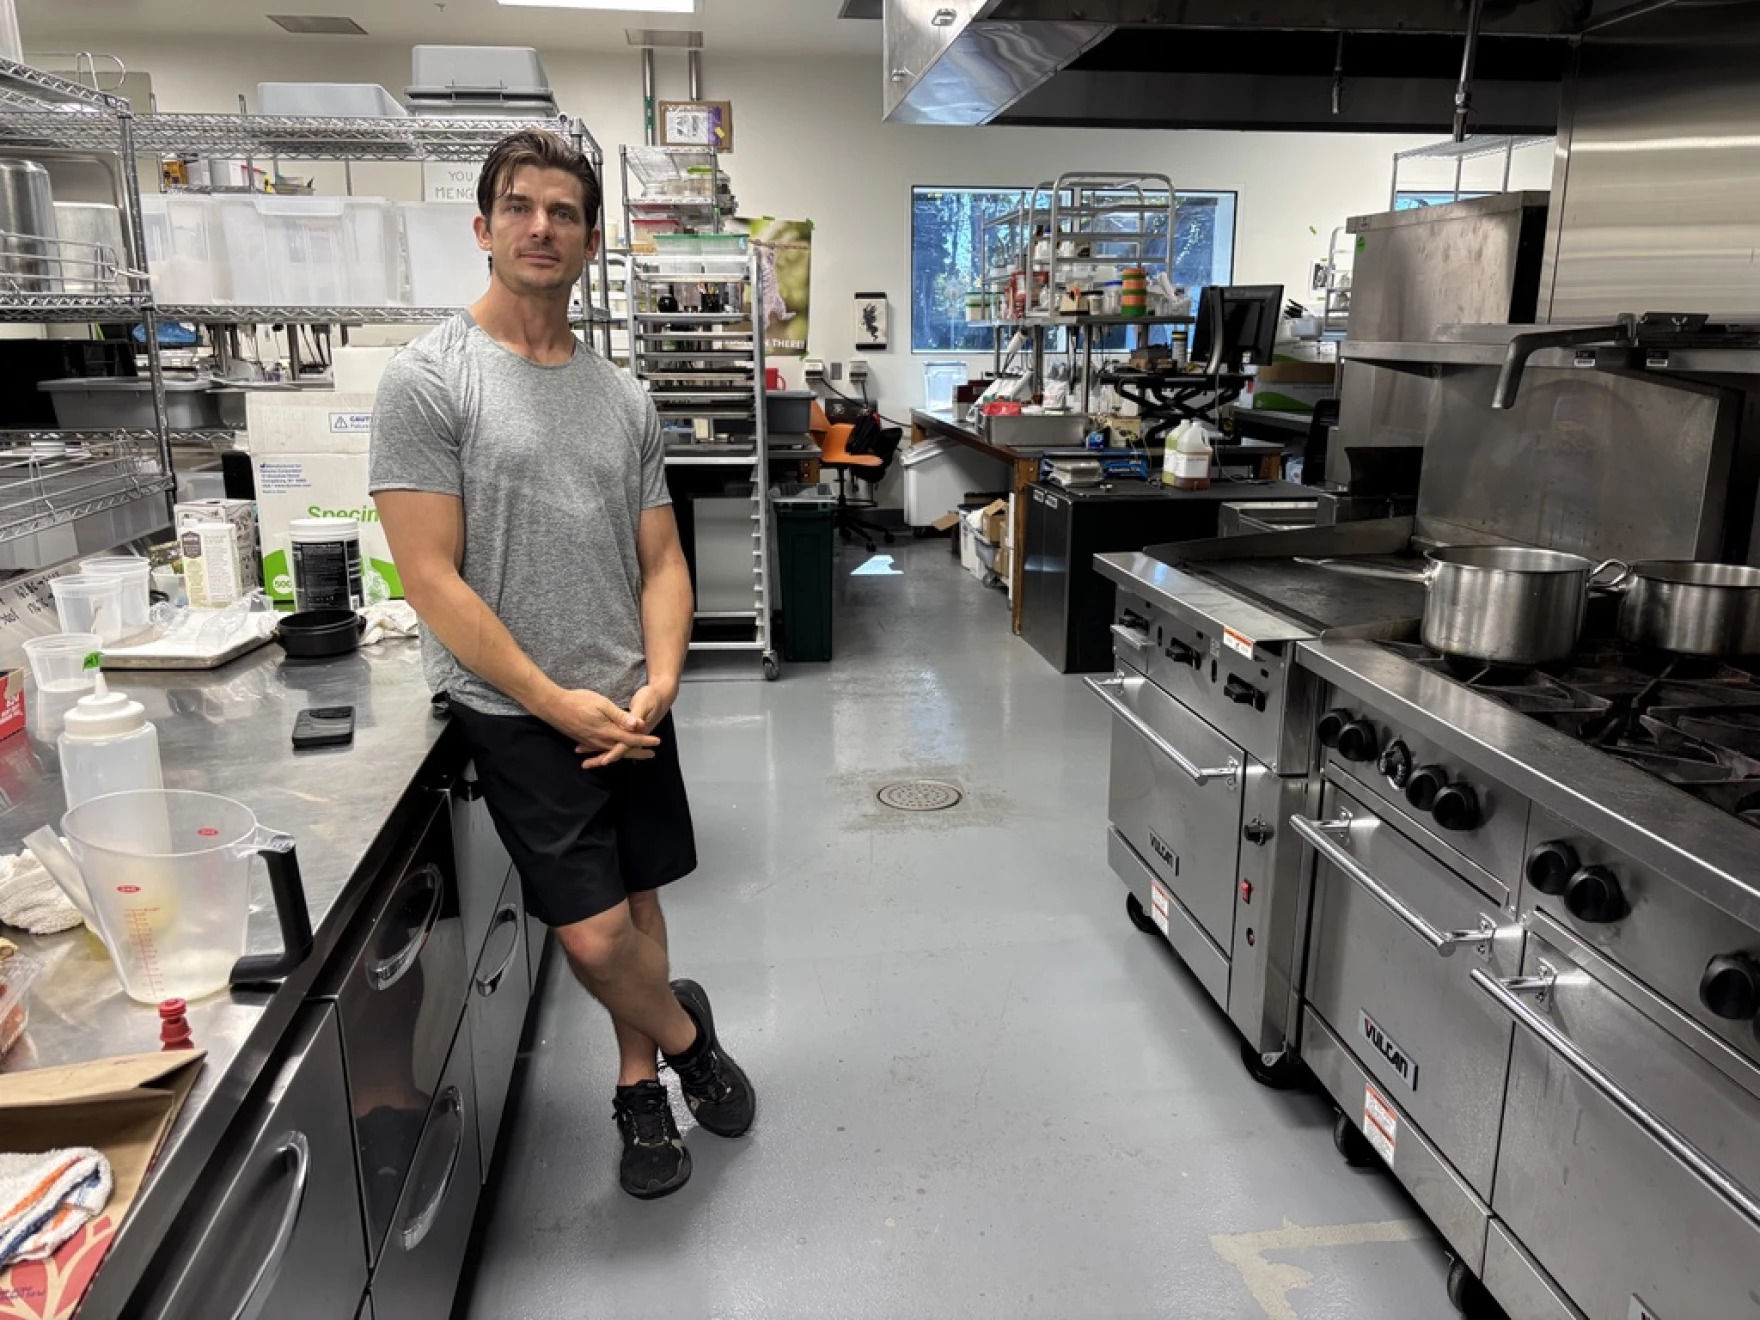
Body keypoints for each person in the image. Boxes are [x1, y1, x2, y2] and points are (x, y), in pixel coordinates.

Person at [368, 129, 755, 1200]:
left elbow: (661, 557)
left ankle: (638, 1093)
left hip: (628, 698)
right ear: (484, 226)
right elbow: (431, 578)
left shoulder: (620, 397)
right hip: (518, 708)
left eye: (565, 211)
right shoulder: (428, 380)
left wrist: (661, 679)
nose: (542, 227)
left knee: (634, 903)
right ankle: (687, 1040)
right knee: (589, 940)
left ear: (590, 238)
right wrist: (552, 702)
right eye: (521, 207)